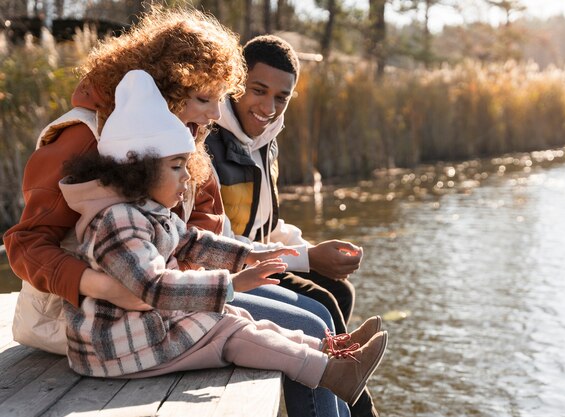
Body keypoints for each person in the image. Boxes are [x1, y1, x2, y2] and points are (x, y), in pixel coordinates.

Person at [2, 8, 351, 416]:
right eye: (203, 99)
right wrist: (99, 285)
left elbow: (199, 224)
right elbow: (24, 244)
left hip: (170, 295)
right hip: (95, 319)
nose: (214, 114)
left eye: (218, 99)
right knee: (309, 324)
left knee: (317, 312)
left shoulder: (184, 135)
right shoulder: (84, 138)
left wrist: (246, 261)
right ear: (163, 87)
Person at [58, 69, 387, 408]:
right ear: (136, 168)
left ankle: (327, 350)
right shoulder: (118, 221)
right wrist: (232, 284)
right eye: (176, 167)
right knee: (231, 331)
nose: (187, 178)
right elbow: (153, 287)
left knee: (237, 320)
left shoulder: (146, 210)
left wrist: (250, 256)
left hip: (143, 331)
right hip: (117, 348)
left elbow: (194, 242)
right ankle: (329, 371)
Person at [205, 34, 379, 417]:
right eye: (258, 90)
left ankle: (339, 399)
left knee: (340, 291)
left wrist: (310, 249)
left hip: (255, 256)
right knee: (324, 306)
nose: (268, 107)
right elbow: (220, 244)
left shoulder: (266, 139)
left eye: (281, 97)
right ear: (236, 81)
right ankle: (355, 408)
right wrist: (307, 257)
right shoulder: (209, 144)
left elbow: (263, 224)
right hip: (230, 269)